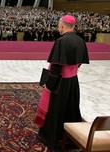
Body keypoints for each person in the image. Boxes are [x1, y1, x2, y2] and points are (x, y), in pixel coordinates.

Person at [34, 14, 89, 150]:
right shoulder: (80, 40)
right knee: (71, 107)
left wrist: (49, 85)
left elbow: (56, 67)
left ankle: (51, 136)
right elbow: (80, 61)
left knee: (56, 109)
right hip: (73, 81)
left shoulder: (61, 41)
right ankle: (71, 137)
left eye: (59, 25)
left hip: (61, 83)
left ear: (62, 25)